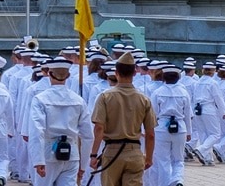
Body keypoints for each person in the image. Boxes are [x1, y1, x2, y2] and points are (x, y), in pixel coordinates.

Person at [89, 53, 155, 186]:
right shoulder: (144, 99)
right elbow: (150, 134)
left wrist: (93, 155)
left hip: (112, 151)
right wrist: (148, 157)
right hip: (135, 152)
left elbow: (99, 128)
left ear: (116, 72)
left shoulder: (105, 97)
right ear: (135, 73)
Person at [31, 58, 87, 186]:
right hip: (71, 153)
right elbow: (87, 135)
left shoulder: (40, 99)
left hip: (48, 152)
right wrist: (83, 164)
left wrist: (38, 160)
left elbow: (37, 131)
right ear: (68, 75)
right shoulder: (78, 100)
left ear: (49, 74)